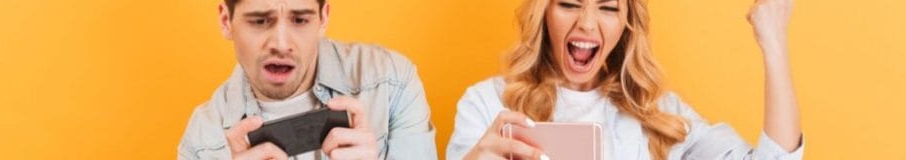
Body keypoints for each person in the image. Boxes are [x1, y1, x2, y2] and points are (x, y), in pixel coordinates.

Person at [446, 0, 803, 159]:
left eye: (608, 7)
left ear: (626, 23)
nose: (587, 23)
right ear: (544, 13)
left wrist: (773, 40)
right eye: (569, 3)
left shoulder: (661, 118)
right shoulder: (487, 106)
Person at [177, 0, 437, 159]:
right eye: (259, 21)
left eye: (300, 20)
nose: (281, 44)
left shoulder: (392, 82)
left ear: (323, 18)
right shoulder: (202, 140)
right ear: (226, 21)